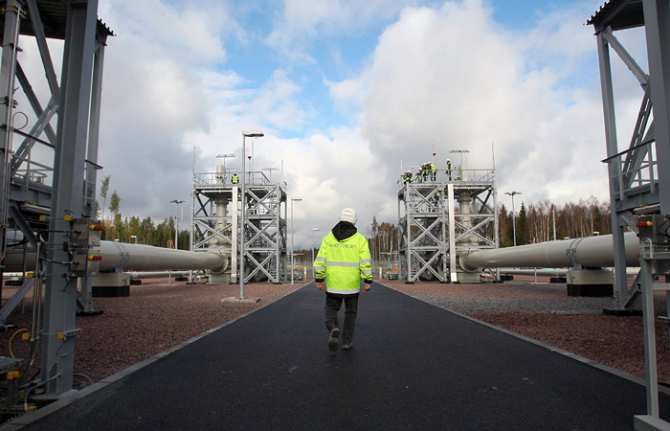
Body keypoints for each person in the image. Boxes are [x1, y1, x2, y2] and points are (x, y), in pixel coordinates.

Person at [314, 208, 373, 353]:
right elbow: (365, 261)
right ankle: (347, 342)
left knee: (330, 310)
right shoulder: (360, 239)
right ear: (354, 221)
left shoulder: (328, 238)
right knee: (350, 313)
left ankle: (333, 327)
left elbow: (320, 260)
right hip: (352, 285)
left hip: (333, 284)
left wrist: (319, 279)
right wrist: (367, 280)